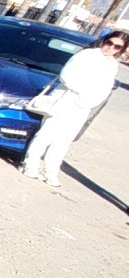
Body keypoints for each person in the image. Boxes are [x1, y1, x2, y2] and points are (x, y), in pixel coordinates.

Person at [21, 30, 127, 187]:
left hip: (84, 105)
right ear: (104, 41)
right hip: (66, 98)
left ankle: (50, 171)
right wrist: (81, 91)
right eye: (109, 43)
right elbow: (67, 76)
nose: (110, 48)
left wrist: (92, 100)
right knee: (47, 134)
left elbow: (105, 88)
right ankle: (30, 165)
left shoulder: (112, 65)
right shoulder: (86, 56)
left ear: (121, 50)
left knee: (64, 140)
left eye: (117, 47)